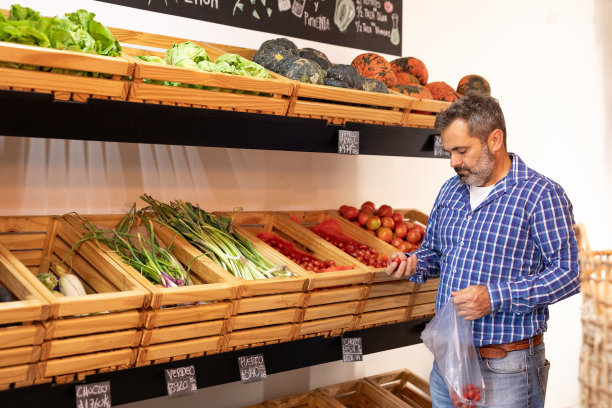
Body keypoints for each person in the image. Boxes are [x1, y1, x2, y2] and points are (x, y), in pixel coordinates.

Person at [386, 92, 580, 408]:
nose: (453, 162)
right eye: (449, 152)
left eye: (462, 151)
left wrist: (494, 297)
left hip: (507, 367)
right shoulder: (451, 189)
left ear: (494, 140)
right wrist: (413, 263)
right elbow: (435, 252)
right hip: (449, 361)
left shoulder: (541, 195)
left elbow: (569, 274)